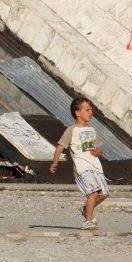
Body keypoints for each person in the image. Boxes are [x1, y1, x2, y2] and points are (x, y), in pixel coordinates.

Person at [49, 96, 109, 230]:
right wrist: (55, 162)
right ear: (77, 112)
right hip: (82, 168)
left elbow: (98, 150)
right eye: (87, 110)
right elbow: (60, 146)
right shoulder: (72, 130)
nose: (91, 112)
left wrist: (98, 152)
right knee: (93, 193)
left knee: (104, 194)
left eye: (91, 110)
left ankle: (85, 208)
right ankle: (88, 221)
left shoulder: (92, 130)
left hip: (96, 167)